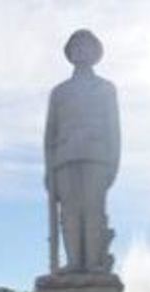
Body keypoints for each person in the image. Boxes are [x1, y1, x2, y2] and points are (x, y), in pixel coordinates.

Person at [44, 30, 120, 273]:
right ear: (69, 53)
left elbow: (114, 130)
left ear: (96, 53)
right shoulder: (59, 92)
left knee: (93, 211)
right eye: (75, 46)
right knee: (69, 214)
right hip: (64, 159)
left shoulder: (105, 88)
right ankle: (74, 262)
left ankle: (93, 263)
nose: (80, 50)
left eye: (86, 46)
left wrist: (113, 165)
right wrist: (49, 169)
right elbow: (50, 133)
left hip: (96, 156)